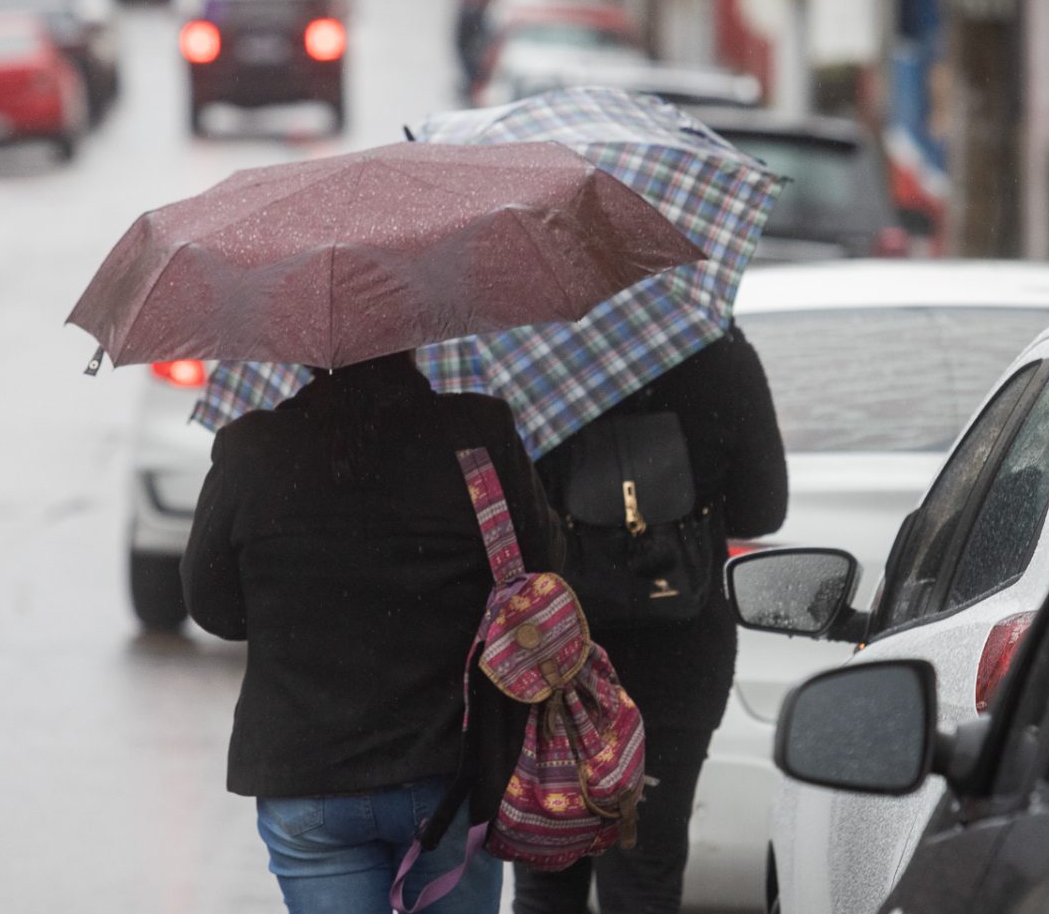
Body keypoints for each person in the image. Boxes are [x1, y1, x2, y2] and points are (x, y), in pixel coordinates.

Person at [183, 351, 565, 914]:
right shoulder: (477, 432)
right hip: (454, 769)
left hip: (308, 773)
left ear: (305, 352)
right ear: (411, 340)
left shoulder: (252, 448)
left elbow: (213, 607)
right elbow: (542, 571)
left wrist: (290, 611)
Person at [514, 324, 787, 914]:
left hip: (556, 652)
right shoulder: (712, 348)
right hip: (678, 655)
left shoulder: (528, 354)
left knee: (547, 877)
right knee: (646, 872)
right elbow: (763, 508)